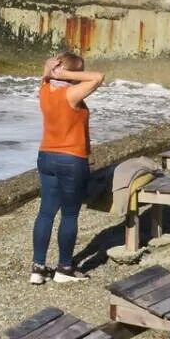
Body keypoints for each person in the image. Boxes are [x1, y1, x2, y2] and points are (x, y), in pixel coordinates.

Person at [30, 51, 104, 285]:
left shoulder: (44, 91)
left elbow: (44, 79)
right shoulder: (70, 94)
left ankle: (38, 268)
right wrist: (67, 73)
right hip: (71, 158)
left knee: (46, 212)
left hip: (46, 156)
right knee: (70, 214)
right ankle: (64, 267)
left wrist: (49, 72)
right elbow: (98, 77)